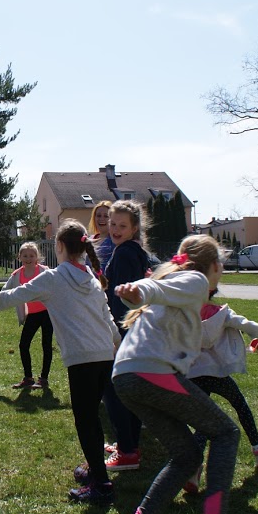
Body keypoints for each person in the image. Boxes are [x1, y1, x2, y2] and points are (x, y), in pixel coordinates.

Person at [108, 234, 258, 514]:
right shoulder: (195, 280)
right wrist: (139, 291)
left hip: (126, 378)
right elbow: (155, 288)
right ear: (213, 265)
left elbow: (157, 290)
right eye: (221, 265)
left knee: (186, 456)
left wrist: (138, 292)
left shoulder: (182, 290)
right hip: (149, 372)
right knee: (225, 432)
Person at [0, 219, 120, 505]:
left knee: (86, 420)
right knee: (91, 416)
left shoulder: (54, 278)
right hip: (105, 355)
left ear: (59, 246)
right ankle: (95, 469)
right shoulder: (90, 276)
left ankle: (101, 485)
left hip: (84, 359)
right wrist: (118, 342)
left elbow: (6, 298)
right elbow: (107, 316)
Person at [183, 292, 258, 493]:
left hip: (193, 374)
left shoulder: (185, 313)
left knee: (203, 421)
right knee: (240, 406)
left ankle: (193, 468)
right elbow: (251, 327)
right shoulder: (223, 314)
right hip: (218, 374)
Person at [102, 201, 150, 472]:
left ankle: (127, 451)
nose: (116, 229)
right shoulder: (134, 251)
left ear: (134, 228)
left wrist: (115, 335)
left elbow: (123, 299)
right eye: (113, 224)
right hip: (134, 330)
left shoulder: (123, 254)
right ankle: (128, 443)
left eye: (122, 225)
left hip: (124, 331)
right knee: (129, 389)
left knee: (114, 389)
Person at [3, 242, 54, 389]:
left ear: (37, 257)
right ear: (19, 257)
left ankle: (43, 379)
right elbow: (3, 292)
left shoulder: (45, 271)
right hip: (32, 314)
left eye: (31, 255)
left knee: (46, 345)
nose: (28, 258)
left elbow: (57, 286)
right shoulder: (16, 275)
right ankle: (28, 378)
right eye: (25, 256)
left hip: (47, 313)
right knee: (23, 345)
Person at [87, 200, 114, 271]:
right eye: (98, 216)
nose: (102, 219)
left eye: (106, 216)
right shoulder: (89, 240)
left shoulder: (115, 241)